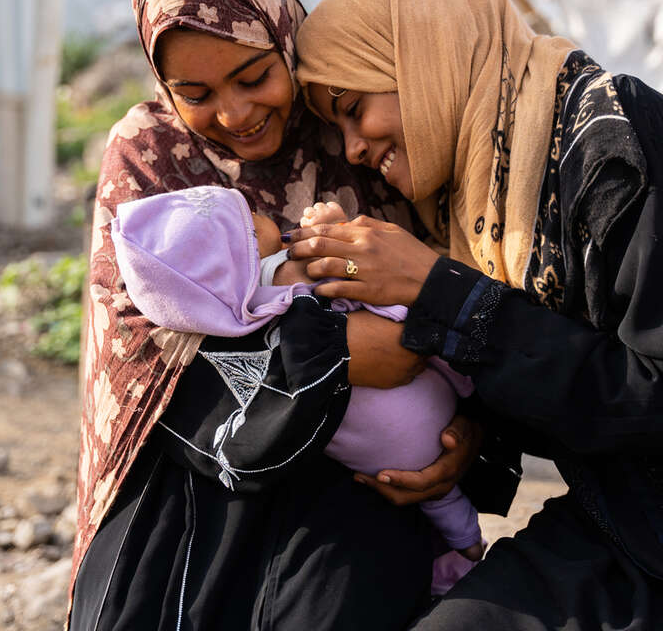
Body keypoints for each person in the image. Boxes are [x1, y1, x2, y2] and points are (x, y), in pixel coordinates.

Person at [284, 0, 663, 629]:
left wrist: (443, 294)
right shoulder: (478, 200)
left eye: (354, 109)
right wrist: (468, 438)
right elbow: (561, 383)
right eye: (336, 130)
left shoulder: (612, 141)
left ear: (425, 57)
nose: (352, 148)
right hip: (629, 522)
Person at [69, 0, 507, 631]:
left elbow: (466, 286)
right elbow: (144, 356)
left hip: (365, 483)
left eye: (255, 76)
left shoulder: (351, 123)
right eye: (197, 93)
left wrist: (467, 437)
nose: (236, 113)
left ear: (287, 37)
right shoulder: (151, 158)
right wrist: (336, 355)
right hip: (200, 474)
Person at [109, 188, 484, 569]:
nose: (261, 214)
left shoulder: (245, 313)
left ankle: (460, 549)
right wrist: (333, 227)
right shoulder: (286, 268)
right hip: (430, 407)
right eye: (250, 217)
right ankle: (467, 543)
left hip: (383, 456)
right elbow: (356, 274)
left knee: (438, 508)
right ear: (246, 246)